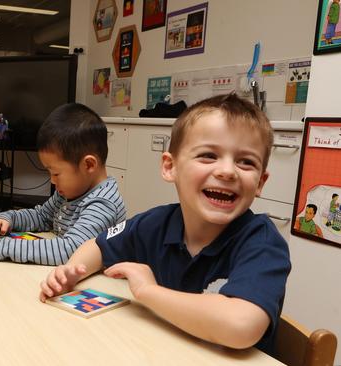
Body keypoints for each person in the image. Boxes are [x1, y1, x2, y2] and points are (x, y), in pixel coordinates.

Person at [39, 93, 291, 355]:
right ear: (170, 167)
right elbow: (98, 246)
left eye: (246, 162)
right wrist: (71, 271)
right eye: (208, 155)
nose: (228, 171)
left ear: (260, 182)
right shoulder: (157, 222)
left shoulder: (262, 242)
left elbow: (241, 326)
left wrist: (149, 292)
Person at [0, 103, 126, 265]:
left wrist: (1, 247)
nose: (52, 180)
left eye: (56, 173)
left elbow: (71, 251)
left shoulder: (103, 204)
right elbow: (42, 216)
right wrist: (8, 218)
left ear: (89, 165)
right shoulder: (70, 191)